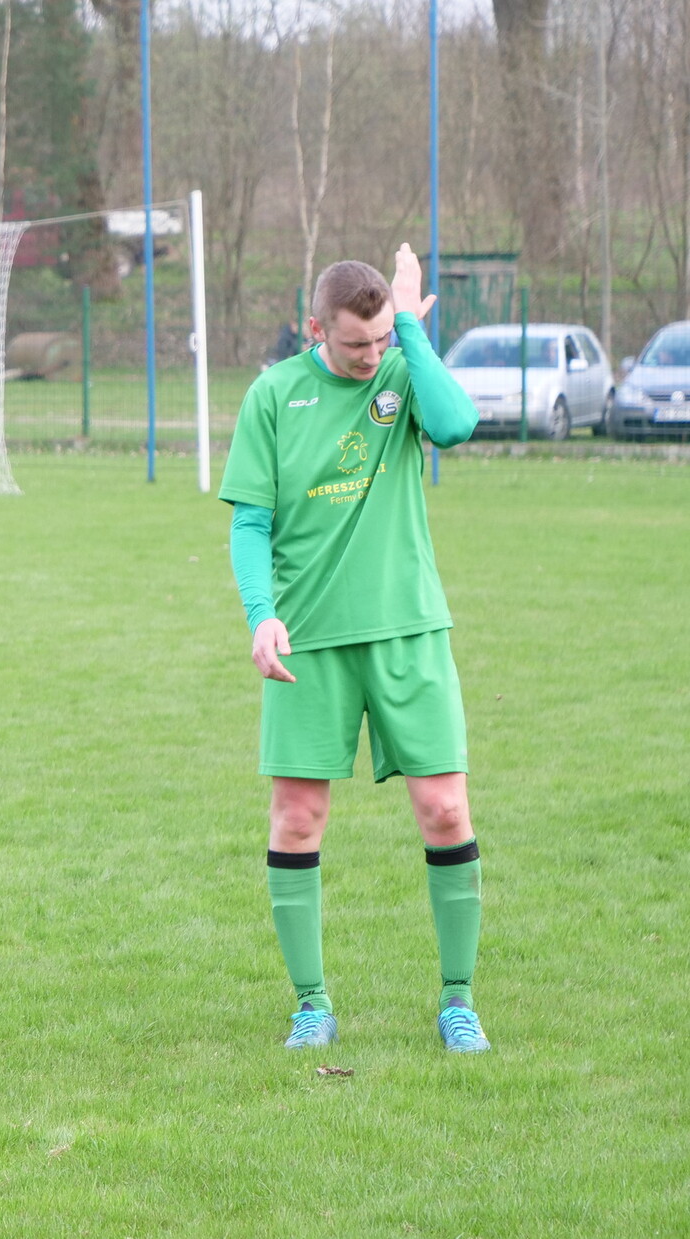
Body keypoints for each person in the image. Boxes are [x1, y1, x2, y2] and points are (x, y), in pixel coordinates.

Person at [217, 245, 488, 1053]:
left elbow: (456, 424)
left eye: (380, 340)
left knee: (445, 809)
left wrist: (411, 327)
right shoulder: (273, 395)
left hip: (409, 628)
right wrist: (261, 615)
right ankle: (311, 1004)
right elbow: (250, 521)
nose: (371, 357)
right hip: (309, 640)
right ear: (315, 330)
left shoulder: (403, 370)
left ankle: (458, 1000)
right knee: (298, 817)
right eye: (355, 344)